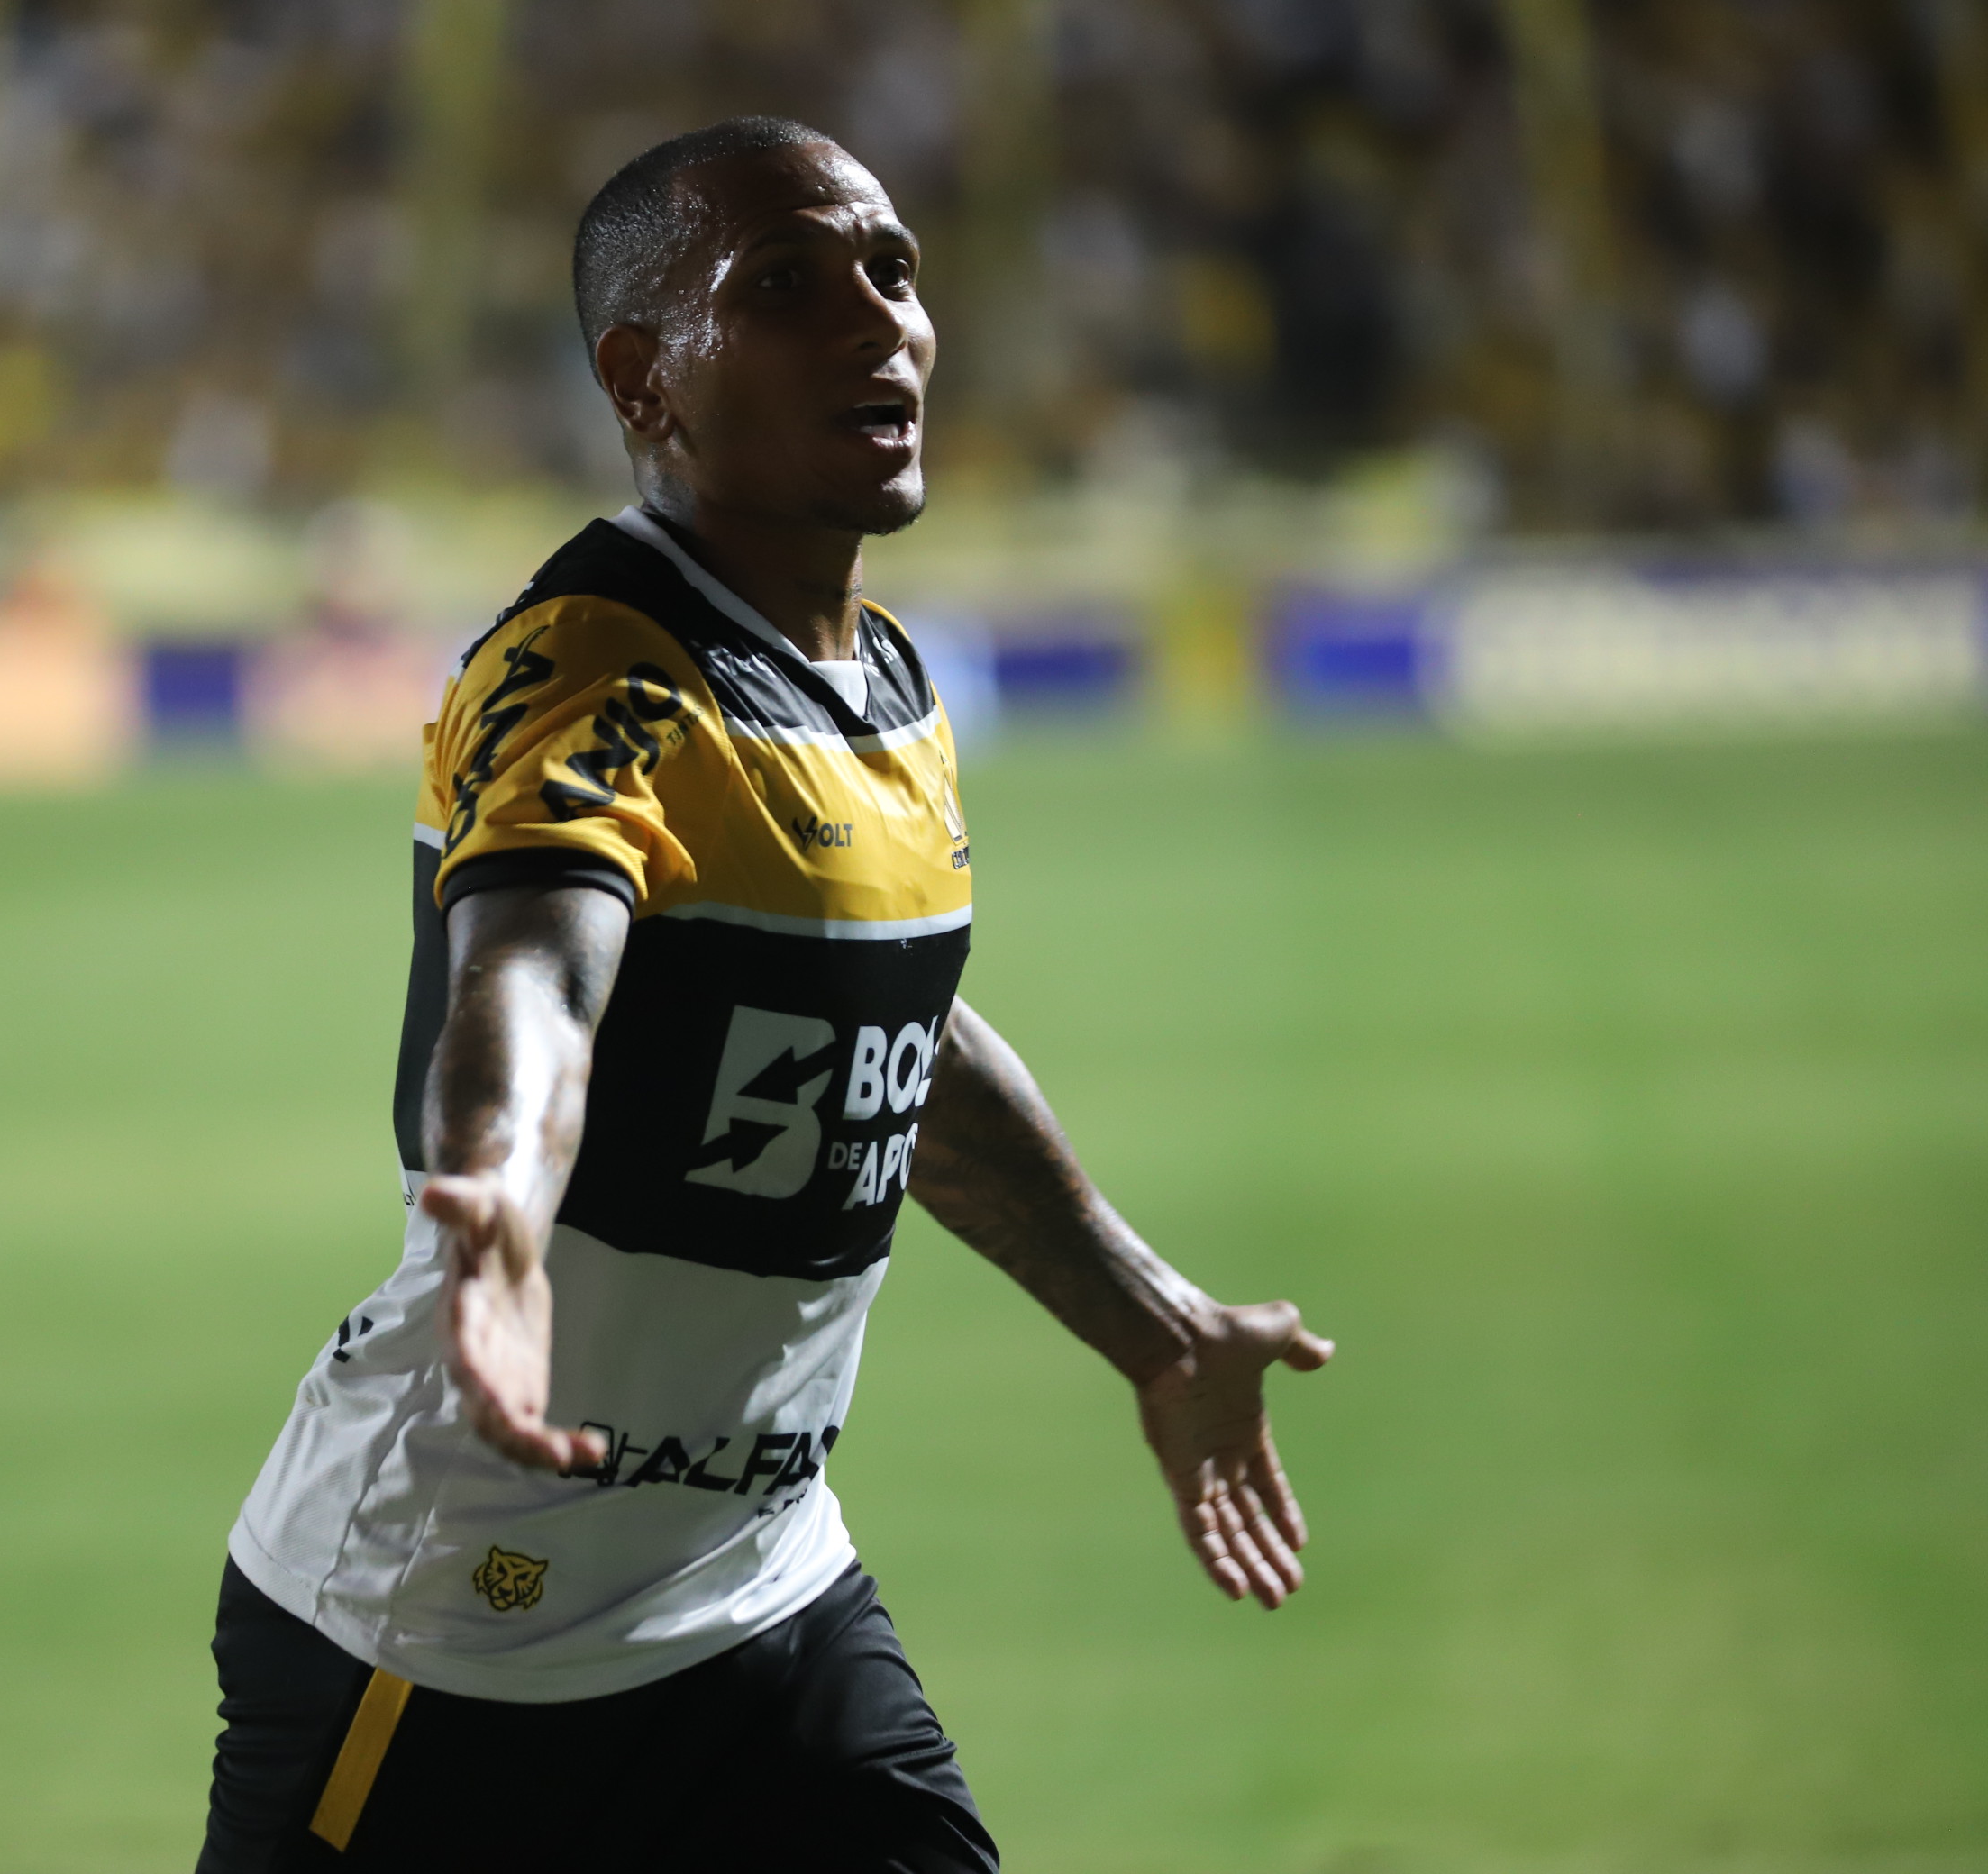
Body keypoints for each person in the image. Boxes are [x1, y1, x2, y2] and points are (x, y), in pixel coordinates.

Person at [198, 117, 1334, 1873]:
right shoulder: (598, 670)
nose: (880, 322)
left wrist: (1157, 1327)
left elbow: (892, 1048)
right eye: (787, 286)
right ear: (642, 379)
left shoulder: (879, 681)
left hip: (754, 1586)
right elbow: (531, 964)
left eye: (895, 270)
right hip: (454, 1626)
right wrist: (496, 1194)